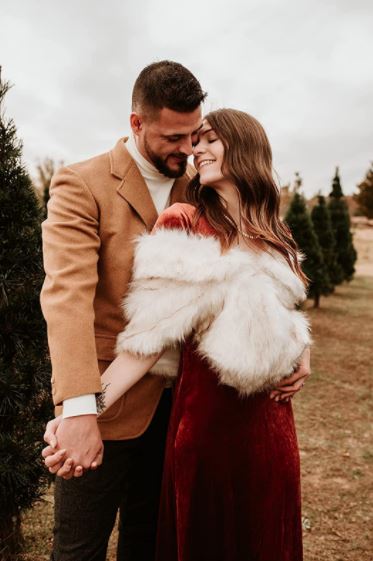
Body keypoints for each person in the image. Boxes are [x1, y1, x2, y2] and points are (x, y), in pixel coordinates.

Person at [44, 108, 311, 561]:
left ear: (244, 147)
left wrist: (302, 348)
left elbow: (282, 313)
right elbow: (145, 345)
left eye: (209, 140)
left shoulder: (277, 234)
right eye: (194, 140)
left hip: (272, 435)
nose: (195, 149)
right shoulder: (182, 221)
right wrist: (80, 410)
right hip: (205, 435)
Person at [40, 60, 206, 561]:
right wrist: (77, 410)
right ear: (137, 123)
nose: (187, 149)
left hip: (183, 407)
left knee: (152, 543)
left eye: (194, 134)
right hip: (106, 405)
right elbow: (65, 296)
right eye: (174, 136)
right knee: (79, 550)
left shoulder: (204, 184)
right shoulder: (81, 183)